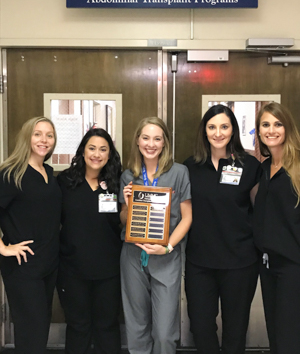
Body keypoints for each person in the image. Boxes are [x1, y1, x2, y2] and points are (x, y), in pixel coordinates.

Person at [184, 104, 261, 354]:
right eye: (212, 127)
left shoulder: (249, 165)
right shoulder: (191, 167)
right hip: (200, 262)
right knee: (201, 327)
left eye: (224, 127)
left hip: (240, 262)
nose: (218, 133)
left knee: (235, 330)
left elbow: (259, 210)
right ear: (204, 131)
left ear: (233, 130)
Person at [120, 116, 192, 354]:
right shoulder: (128, 176)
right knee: (136, 325)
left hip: (166, 256)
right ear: (138, 141)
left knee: (163, 332)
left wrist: (168, 247)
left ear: (164, 143)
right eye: (146, 137)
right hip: (133, 256)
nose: (151, 144)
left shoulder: (179, 173)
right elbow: (123, 219)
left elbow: (187, 217)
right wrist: (129, 204)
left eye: (157, 139)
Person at [57, 128, 122, 354]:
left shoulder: (117, 182)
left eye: (103, 149)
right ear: (83, 151)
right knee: (78, 326)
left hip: (109, 270)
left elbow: (123, 221)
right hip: (72, 270)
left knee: (107, 325)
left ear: (109, 154)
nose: (97, 154)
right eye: (92, 148)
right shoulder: (65, 181)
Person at [0, 116, 61, 354]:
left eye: (49, 135)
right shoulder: (10, 173)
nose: (44, 140)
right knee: (31, 333)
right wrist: (4, 247)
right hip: (22, 267)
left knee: (40, 330)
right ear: (27, 136)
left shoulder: (47, 171)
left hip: (47, 265)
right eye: (38, 134)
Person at [253, 102, 300, 354]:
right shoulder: (263, 169)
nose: (272, 130)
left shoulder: (298, 166)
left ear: (287, 127)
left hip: (293, 266)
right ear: (259, 131)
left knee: (290, 337)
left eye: (278, 124)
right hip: (268, 265)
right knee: (275, 335)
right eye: (266, 124)